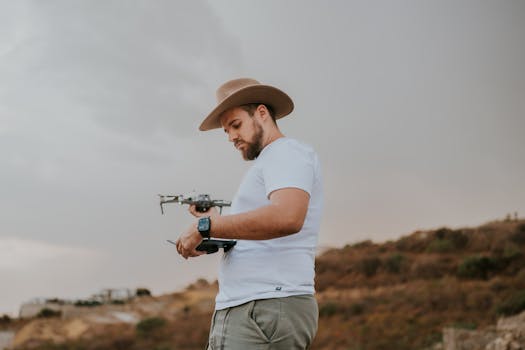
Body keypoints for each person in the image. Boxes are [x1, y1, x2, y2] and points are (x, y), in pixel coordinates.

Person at [175, 78, 323, 349]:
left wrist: (204, 227)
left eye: (236, 125)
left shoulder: (286, 152)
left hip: (264, 307)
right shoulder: (272, 161)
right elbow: (259, 228)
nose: (231, 137)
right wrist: (214, 221)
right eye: (226, 131)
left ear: (262, 114)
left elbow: (288, 217)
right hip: (253, 307)